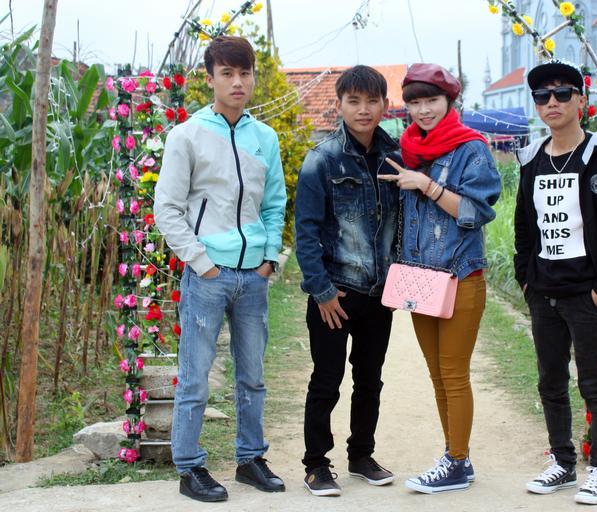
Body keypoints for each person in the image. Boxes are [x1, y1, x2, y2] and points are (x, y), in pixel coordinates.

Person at [154, 36, 287, 502]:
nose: (237, 82)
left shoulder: (264, 138)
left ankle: (250, 459)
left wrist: (269, 258)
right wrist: (202, 262)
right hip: (207, 277)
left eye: (244, 73)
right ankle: (190, 467)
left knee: (252, 375)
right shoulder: (187, 136)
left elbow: (274, 204)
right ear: (209, 79)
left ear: (252, 78)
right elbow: (167, 209)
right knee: (195, 377)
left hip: (253, 277)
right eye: (227, 73)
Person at [513, 59, 597, 505]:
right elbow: (523, 226)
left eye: (562, 93)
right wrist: (525, 279)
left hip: (588, 294)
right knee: (550, 383)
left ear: (580, 101)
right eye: (542, 96)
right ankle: (563, 464)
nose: (552, 102)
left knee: (594, 385)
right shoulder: (531, 159)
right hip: (543, 291)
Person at [379, 63, 501, 494]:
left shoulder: (472, 149)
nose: (423, 110)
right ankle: (454, 455)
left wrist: (427, 186)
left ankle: (457, 462)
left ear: (450, 101)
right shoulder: (407, 149)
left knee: (454, 373)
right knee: (437, 375)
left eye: (431, 100)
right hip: (420, 281)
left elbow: (476, 212)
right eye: (415, 102)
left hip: (460, 277)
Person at [294, 65, 402, 497]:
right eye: (353, 101)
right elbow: (305, 232)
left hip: (378, 293)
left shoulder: (396, 156)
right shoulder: (321, 159)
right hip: (335, 293)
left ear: (385, 105)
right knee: (326, 379)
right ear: (338, 105)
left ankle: (361, 455)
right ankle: (316, 464)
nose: (363, 109)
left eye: (371, 101)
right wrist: (321, 291)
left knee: (370, 379)